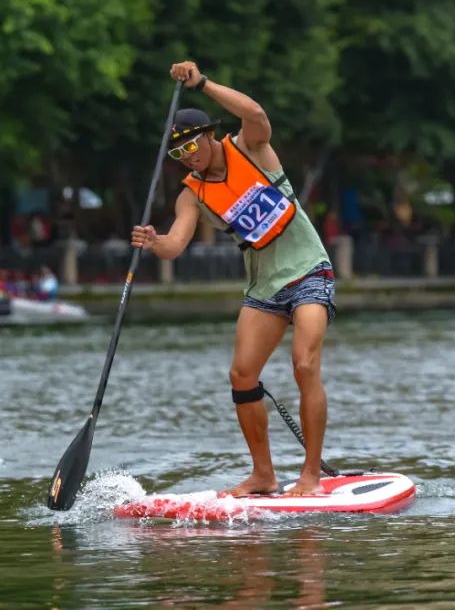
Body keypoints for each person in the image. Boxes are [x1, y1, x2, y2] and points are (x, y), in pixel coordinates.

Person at [131, 61, 336, 496]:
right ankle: (263, 475)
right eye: (178, 152)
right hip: (264, 288)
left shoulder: (251, 147)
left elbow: (256, 114)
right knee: (242, 375)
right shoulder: (193, 193)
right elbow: (176, 243)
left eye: (192, 145)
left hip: (309, 271)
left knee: (304, 364)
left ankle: (312, 475)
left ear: (209, 135)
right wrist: (153, 241)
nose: (188, 155)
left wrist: (202, 84)